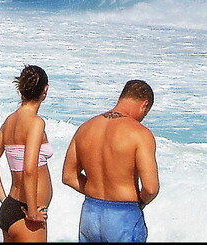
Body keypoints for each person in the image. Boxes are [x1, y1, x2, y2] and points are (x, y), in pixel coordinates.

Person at [62, 79, 159, 243]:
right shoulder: (140, 134)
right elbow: (150, 188)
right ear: (144, 104)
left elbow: (68, 176)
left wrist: (98, 192)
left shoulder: (85, 128)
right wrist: (139, 202)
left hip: (90, 215)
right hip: (123, 217)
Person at [0, 65, 53, 242]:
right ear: (45, 90)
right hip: (27, 213)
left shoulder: (10, 121)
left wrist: (4, 201)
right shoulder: (36, 123)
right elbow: (30, 169)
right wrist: (31, 210)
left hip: (10, 206)